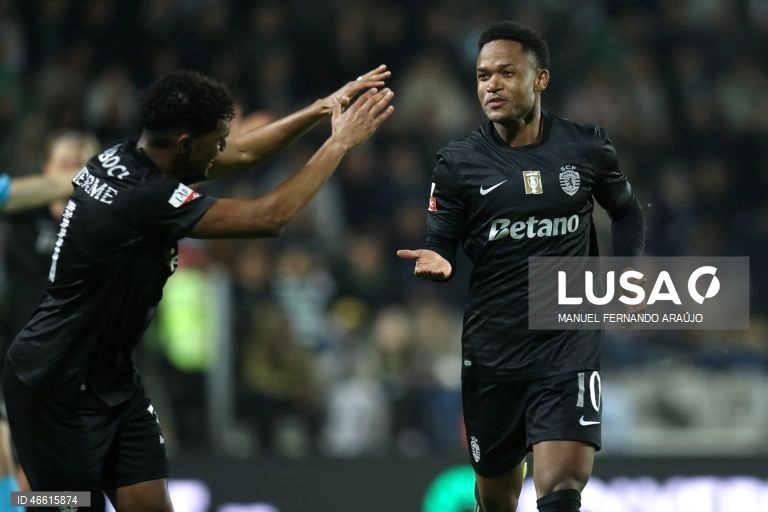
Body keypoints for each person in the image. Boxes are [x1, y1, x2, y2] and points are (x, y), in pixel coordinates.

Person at [2, 67, 394, 511]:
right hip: (53, 385)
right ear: (186, 142)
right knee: (66, 506)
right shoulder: (144, 198)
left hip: (109, 380)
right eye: (216, 142)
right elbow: (270, 216)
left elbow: (243, 155)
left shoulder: (130, 156)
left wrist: (320, 110)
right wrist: (338, 142)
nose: (223, 150)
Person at [397, 21, 645, 512]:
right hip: (493, 346)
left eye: (506, 73)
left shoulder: (587, 147)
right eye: (483, 75)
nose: (492, 84)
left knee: (560, 484)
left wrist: (625, 275)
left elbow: (628, 211)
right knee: (496, 497)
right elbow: (440, 242)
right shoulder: (459, 162)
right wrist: (439, 263)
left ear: (540, 79)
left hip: (565, 333)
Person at [0, 132, 100, 511]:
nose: (72, 168)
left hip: (77, 370)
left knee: (71, 492)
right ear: (45, 169)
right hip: (20, 362)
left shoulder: (101, 224)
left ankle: (39, 505)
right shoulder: (24, 212)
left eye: (81, 160)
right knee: (9, 464)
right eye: (64, 160)